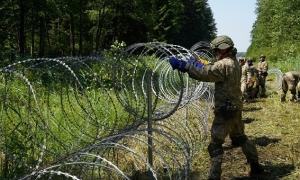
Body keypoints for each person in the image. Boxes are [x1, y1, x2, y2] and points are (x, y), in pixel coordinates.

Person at [169, 35, 264, 180]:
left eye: (216, 51)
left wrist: (185, 66)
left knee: (215, 144)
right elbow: (212, 68)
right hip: (236, 107)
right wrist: (200, 63)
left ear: (223, 49)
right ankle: (255, 165)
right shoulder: (234, 63)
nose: (215, 54)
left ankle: (214, 176)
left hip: (225, 110)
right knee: (241, 137)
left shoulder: (223, 64)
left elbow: (206, 73)